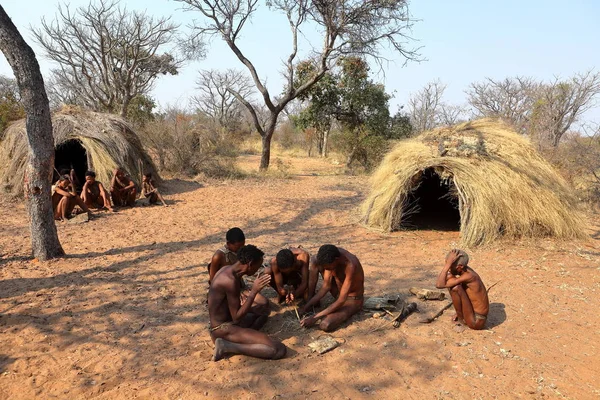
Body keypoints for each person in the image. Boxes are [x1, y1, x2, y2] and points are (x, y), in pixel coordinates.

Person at [208, 244, 287, 361]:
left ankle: (244, 338)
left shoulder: (227, 270)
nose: (258, 270)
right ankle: (227, 346)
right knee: (278, 349)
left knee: (262, 314)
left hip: (225, 324)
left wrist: (251, 308)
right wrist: (254, 291)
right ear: (250, 264)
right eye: (257, 266)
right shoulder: (230, 281)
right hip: (223, 329)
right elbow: (236, 318)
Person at [299, 244, 365, 332]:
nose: (328, 270)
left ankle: (354, 308)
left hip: (352, 300)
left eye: (329, 268)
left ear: (336, 260)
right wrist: (307, 306)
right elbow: (326, 287)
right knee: (315, 260)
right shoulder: (331, 256)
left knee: (325, 324)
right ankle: (310, 300)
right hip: (338, 293)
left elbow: (341, 300)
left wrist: (315, 318)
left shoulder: (351, 265)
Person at [208, 228, 270, 314]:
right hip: (227, 292)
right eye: (238, 247)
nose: (241, 249)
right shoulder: (218, 256)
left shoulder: (241, 252)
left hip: (239, 287)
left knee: (263, 303)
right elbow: (212, 280)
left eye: (243, 246)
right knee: (247, 310)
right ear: (228, 244)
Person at [435, 249, 489, 330]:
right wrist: (449, 263)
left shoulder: (469, 275)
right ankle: (462, 315)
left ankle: (461, 320)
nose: (449, 268)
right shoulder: (465, 271)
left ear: (460, 267)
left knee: (455, 288)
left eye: (450, 266)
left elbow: (439, 285)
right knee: (450, 278)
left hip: (476, 321)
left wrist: (447, 265)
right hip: (473, 313)